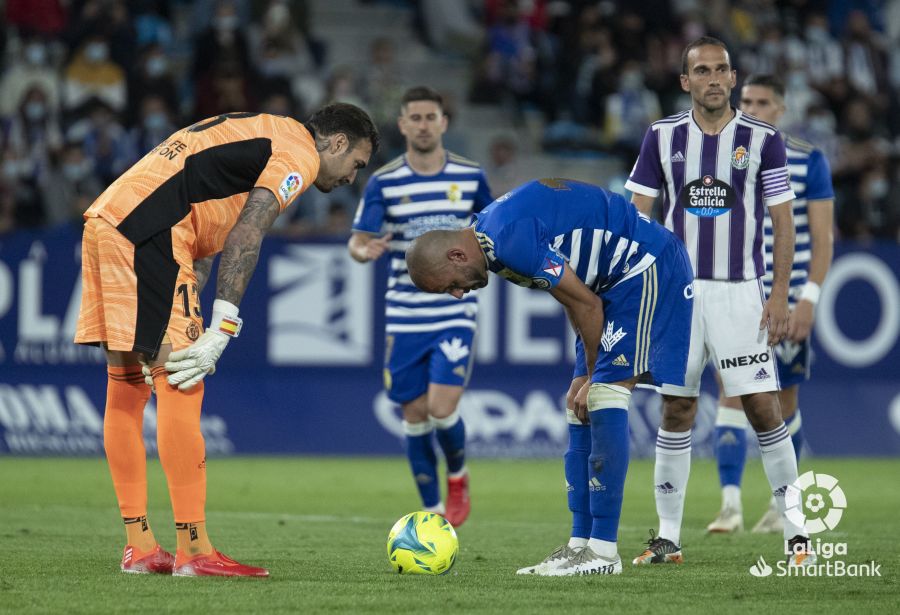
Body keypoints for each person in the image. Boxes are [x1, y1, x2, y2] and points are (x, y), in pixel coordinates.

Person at [74, 104, 378, 577]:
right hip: (152, 231)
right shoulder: (299, 154)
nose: (351, 178)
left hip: (110, 220)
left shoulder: (263, 129)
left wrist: (194, 289)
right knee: (182, 382)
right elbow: (247, 232)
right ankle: (194, 551)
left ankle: (140, 546)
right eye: (357, 163)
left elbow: (206, 223)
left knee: (126, 384)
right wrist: (222, 328)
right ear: (336, 143)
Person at [406, 178, 694, 576]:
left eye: (452, 285)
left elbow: (587, 302)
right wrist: (583, 371)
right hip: (606, 285)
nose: (459, 294)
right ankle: (580, 545)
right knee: (577, 407)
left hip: (644, 266)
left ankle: (605, 552)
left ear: (456, 255)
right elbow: (570, 293)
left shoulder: (508, 242)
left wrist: (593, 374)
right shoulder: (490, 239)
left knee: (605, 395)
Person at [624, 37, 813, 567]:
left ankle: (797, 535)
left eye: (721, 70)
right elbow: (638, 213)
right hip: (677, 297)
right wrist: (639, 286)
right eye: (701, 70)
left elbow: (782, 221)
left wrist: (778, 294)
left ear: (733, 78)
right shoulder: (661, 137)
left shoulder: (762, 139)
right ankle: (667, 537)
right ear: (685, 81)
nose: (712, 78)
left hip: (739, 293)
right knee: (677, 407)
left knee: (761, 406)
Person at [348, 87, 492, 527]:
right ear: (404, 124)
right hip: (404, 314)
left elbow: (494, 230)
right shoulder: (385, 181)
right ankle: (432, 515)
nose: (425, 125)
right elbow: (358, 239)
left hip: (454, 310)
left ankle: (459, 476)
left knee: (441, 409)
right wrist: (362, 252)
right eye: (416, 117)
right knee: (413, 415)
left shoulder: (470, 176)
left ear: (444, 122)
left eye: (432, 117)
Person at [707, 74, 834, 534]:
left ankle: (787, 507)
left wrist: (808, 299)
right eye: (748, 101)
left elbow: (822, 240)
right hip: (732, 294)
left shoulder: (806, 160)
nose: (753, 108)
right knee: (730, 392)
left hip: (784, 300)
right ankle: (729, 506)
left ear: (781, 109)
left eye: (763, 102)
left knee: (782, 402)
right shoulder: (720, 153)